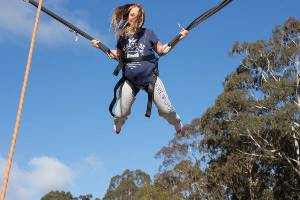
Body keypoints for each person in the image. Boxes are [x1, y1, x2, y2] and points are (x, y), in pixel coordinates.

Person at [92, 3, 188, 134]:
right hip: (130, 81)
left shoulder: (148, 34)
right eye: (132, 15)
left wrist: (179, 38)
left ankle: (176, 122)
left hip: (150, 79)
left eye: (139, 15)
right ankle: (118, 124)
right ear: (127, 17)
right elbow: (117, 55)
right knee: (119, 113)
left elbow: (161, 50)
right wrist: (101, 47)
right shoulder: (122, 37)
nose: (136, 17)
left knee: (167, 110)